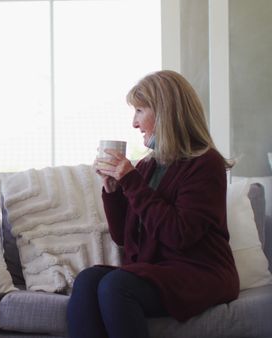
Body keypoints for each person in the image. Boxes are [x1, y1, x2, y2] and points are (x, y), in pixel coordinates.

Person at [67, 70, 239, 338]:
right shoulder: (148, 166)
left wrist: (131, 181)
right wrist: (113, 190)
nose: (134, 123)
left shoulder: (206, 164)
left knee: (116, 286)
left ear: (164, 113)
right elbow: (124, 238)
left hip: (200, 274)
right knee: (88, 280)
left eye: (139, 111)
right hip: (158, 271)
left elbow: (178, 234)